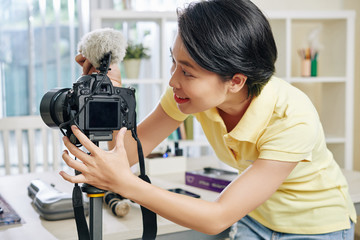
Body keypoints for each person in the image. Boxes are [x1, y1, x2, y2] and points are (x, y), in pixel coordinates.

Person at [60, 0, 357, 239]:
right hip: (256, 217)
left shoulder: (292, 118)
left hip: (316, 225)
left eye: (187, 71)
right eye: (173, 62)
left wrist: (126, 184)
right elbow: (123, 156)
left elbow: (217, 217)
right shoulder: (189, 96)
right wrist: (113, 95)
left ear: (236, 81)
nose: (173, 80)